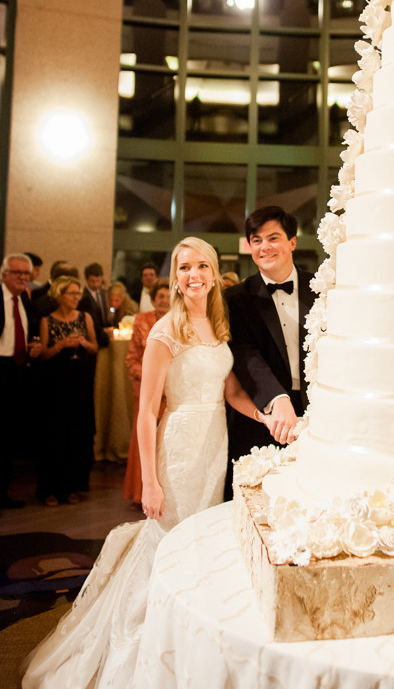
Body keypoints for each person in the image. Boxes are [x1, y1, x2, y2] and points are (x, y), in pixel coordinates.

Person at [22, 237, 278, 689]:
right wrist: (151, 483)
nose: (194, 275)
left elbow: (232, 392)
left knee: (197, 541)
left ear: (214, 273)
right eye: (184, 268)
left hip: (214, 443)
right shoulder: (165, 331)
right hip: (178, 447)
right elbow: (146, 412)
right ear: (175, 278)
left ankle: (185, 631)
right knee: (169, 540)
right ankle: (151, 636)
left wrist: (268, 416)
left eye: (202, 266)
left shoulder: (218, 325)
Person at [224, 205, 316, 498]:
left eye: (273, 238)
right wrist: (276, 400)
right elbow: (245, 352)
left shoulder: (323, 289)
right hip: (262, 419)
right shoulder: (236, 299)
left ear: (292, 242)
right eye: (256, 240)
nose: (264, 247)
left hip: (318, 416)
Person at [36, 276, 98, 506]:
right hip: (55, 386)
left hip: (79, 384)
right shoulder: (46, 321)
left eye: (77, 293)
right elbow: (43, 354)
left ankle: (72, 486)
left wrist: (82, 343)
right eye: (72, 293)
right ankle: (50, 489)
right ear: (60, 295)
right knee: (54, 436)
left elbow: (94, 347)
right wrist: (61, 345)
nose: (76, 298)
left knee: (76, 435)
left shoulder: (86, 317)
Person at [122, 277, 170, 504]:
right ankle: (141, 492)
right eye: (160, 296)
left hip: (172, 392)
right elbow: (131, 359)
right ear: (153, 299)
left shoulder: (180, 321)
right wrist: (150, 377)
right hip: (147, 390)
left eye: (169, 296)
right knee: (144, 438)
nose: (165, 300)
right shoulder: (142, 320)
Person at [0, 253, 41, 508]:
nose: (23, 278)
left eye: (26, 274)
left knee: (7, 435)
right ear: (4, 275)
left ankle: (3, 493)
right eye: (18, 274)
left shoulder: (25, 301)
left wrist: (32, 346)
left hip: (17, 370)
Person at [79, 261, 110, 348]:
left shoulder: (104, 293)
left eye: (98, 281)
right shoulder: (82, 297)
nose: (96, 284)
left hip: (105, 335)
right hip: (91, 336)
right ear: (86, 279)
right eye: (92, 281)